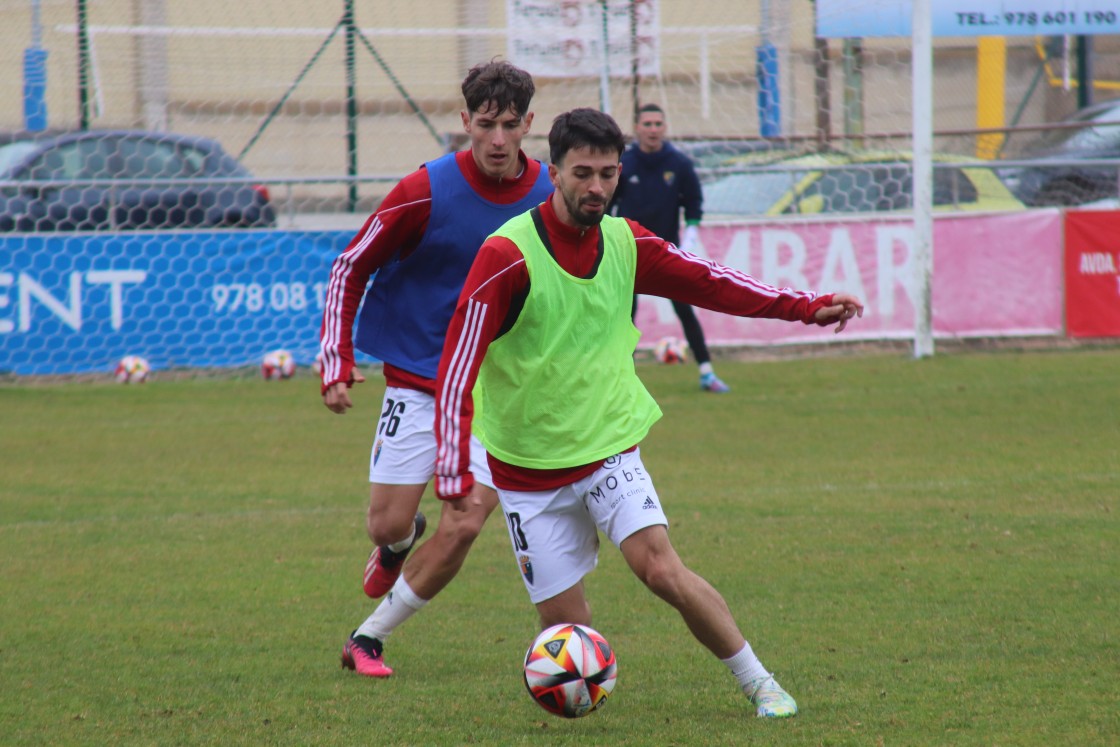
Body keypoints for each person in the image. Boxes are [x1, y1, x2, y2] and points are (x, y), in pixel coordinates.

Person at [433, 108, 862, 718]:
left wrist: (804, 307)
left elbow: (711, 281)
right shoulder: (506, 256)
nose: (597, 188)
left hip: (608, 445)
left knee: (661, 568)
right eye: (582, 173)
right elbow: (456, 362)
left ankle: (760, 682)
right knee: (572, 644)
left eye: (608, 173)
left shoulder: (625, 241)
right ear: (552, 171)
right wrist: (452, 464)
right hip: (526, 473)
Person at [318, 60, 554, 678]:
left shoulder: (551, 194)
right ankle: (398, 543)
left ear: (529, 123)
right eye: (485, 124)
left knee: (468, 518)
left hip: (494, 394)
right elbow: (350, 267)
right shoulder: (424, 189)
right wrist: (336, 361)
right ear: (464, 122)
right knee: (387, 522)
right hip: (421, 383)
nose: (498, 139)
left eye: (510, 125)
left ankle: (367, 639)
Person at [610, 103, 730, 393]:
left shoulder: (679, 164)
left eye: (658, 124)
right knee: (624, 315)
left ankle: (707, 373)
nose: (653, 129)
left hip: (666, 253)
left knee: (685, 310)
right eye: (647, 124)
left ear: (665, 128)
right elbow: (608, 203)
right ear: (637, 128)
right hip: (629, 252)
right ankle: (620, 378)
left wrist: (688, 239)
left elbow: (694, 205)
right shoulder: (624, 163)